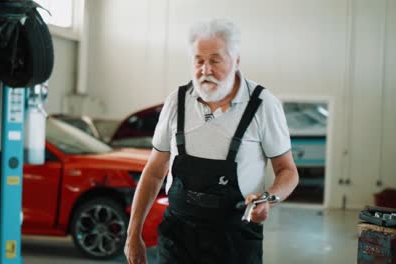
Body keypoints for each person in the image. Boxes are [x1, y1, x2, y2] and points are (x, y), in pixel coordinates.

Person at [124, 19, 299, 264]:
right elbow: (154, 172)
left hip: (235, 241)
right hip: (178, 238)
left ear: (236, 60)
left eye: (215, 60)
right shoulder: (176, 102)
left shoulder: (263, 105)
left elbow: (288, 171)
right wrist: (133, 234)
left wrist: (268, 198)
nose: (205, 69)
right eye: (199, 60)